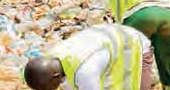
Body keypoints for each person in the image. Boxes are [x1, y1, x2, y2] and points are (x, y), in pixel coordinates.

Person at [23, 24, 152, 90]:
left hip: (135, 45)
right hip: (111, 42)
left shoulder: (85, 73)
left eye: (47, 89)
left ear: (56, 77)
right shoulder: (55, 57)